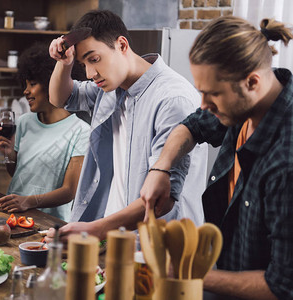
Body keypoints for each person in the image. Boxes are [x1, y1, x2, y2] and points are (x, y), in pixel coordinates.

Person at [140, 16, 293, 300]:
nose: (204, 104)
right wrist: (160, 168)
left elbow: (282, 285)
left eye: (212, 94)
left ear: (252, 82)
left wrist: (187, 271)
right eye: (201, 92)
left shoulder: (285, 164)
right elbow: (193, 125)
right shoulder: (246, 103)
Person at [45, 9, 208, 241]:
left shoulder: (172, 99)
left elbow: (162, 200)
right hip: (117, 237)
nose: (90, 73)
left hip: (162, 247)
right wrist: (65, 63)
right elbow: (60, 98)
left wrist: (95, 229)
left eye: (94, 59)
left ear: (121, 45)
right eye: (84, 64)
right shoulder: (112, 87)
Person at [0, 43, 90, 222]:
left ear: (51, 82)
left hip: (50, 222)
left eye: (32, 84)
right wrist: (8, 154)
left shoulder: (81, 131)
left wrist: (29, 202)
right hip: (15, 215)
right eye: (25, 84)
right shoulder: (24, 122)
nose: (26, 91)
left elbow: (69, 191)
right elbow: (19, 174)